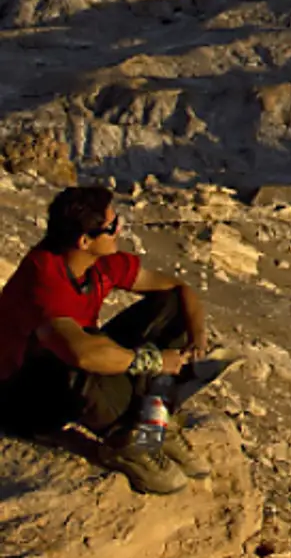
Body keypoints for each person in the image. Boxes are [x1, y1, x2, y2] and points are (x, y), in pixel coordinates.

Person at [0, 186, 212, 494]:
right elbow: (80, 354)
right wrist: (154, 362)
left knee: (169, 306)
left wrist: (197, 336)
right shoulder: (43, 278)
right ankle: (126, 441)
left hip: (71, 358)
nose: (119, 230)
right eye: (111, 227)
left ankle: (152, 419)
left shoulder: (99, 263)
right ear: (84, 241)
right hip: (23, 393)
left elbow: (180, 290)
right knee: (82, 355)